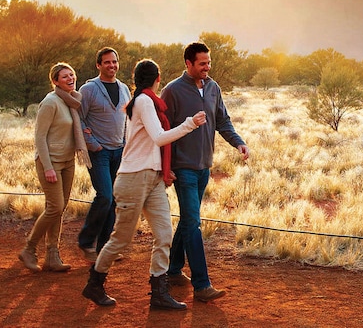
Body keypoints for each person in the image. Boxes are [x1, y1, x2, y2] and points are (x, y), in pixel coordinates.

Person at [82, 59, 207, 309]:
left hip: (152, 177)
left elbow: (153, 143)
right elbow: (159, 138)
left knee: (164, 234)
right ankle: (94, 283)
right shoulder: (144, 101)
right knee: (121, 239)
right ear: (157, 79)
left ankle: (159, 292)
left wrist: (164, 169)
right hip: (133, 178)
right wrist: (190, 124)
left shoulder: (146, 101)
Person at [163, 41, 249, 302]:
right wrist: (165, 169)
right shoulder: (172, 91)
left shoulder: (213, 88)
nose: (207, 67)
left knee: (189, 220)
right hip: (183, 168)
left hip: (204, 166)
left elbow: (222, 120)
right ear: (188, 64)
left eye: (208, 62)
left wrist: (238, 142)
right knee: (193, 223)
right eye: (202, 63)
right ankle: (202, 285)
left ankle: (173, 269)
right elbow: (162, 133)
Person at [19, 62, 91, 273]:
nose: (71, 79)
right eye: (65, 76)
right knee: (55, 207)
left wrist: (80, 135)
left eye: (72, 75)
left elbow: (66, 127)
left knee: (59, 209)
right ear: (55, 81)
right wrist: (48, 167)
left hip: (68, 162)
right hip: (50, 163)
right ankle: (29, 249)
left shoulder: (70, 101)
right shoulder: (50, 102)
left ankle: (52, 255)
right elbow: (39, 137)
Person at [77, 47, 131, 261]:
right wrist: (92, 143)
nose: (112, 66)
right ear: (98, 65)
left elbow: (127, 119)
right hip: (99, 153)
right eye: (107, 62)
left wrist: (126, 144)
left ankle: (105, 248)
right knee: (105, 196)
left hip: (119, 151)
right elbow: (78, 118)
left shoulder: (125, 88)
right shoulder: (89, 89)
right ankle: (86, 241)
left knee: (114, 200)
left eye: (114, 62)